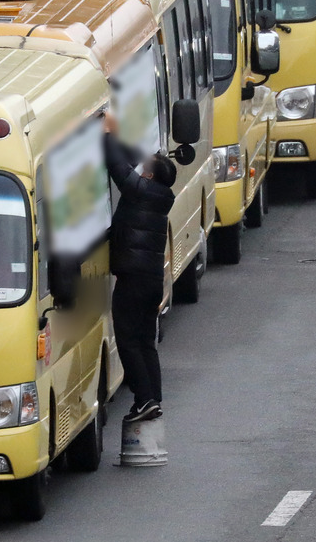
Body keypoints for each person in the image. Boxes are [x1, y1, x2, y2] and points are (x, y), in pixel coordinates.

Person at [102, 111, 176, 424]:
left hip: (133, 279)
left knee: (128, 339)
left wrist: (106, 134)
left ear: (148, 176)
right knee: (146, 341)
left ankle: (144, 398)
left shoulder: (142, 191)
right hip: (151, 280)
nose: (140, 168)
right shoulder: (157, 197)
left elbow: (117, 168)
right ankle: (152, 399)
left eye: (144, 167)